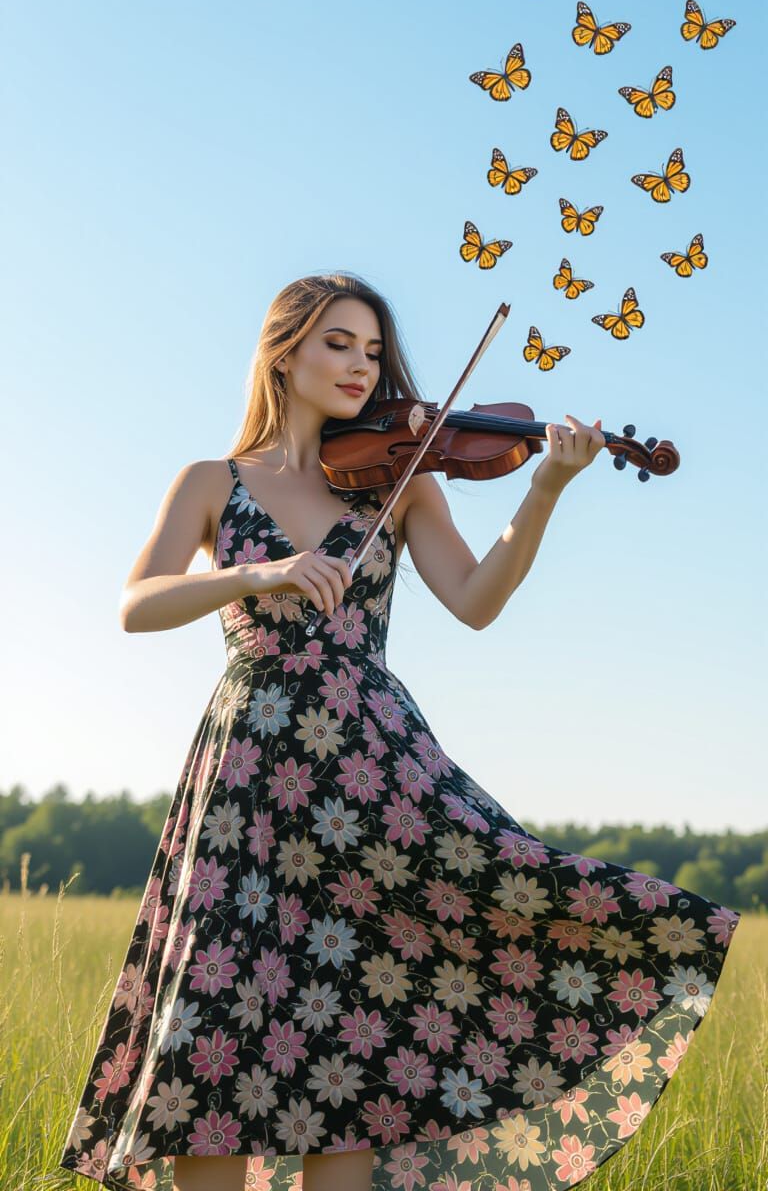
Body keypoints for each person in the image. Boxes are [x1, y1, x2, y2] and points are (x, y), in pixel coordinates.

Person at [58, 271, 740, 1191]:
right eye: (338, 343)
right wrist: (258, 576)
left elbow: (476, 601)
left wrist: (545, 488)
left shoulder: (407, 480)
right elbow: (137, 604)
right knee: (215, 1029)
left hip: (371, 776)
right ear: (283, 353)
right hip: (248, 774)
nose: (360, 367)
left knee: (354, 1041)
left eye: (374, 352)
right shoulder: (214, 481)